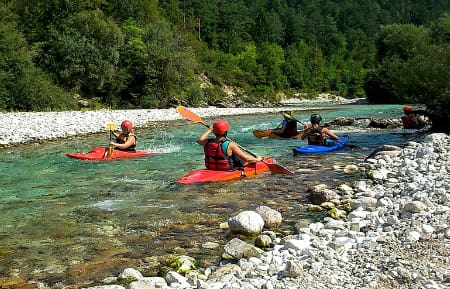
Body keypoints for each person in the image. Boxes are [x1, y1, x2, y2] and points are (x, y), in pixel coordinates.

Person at [197, 120, 263, 170]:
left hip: (211, 167)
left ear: (213, 132)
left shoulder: (207, 142)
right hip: (226, 169)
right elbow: (246, 159)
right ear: (226, 132)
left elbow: (199, 140)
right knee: (245, 160)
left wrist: (209, 130)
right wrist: (258, 159)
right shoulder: (230, 145)